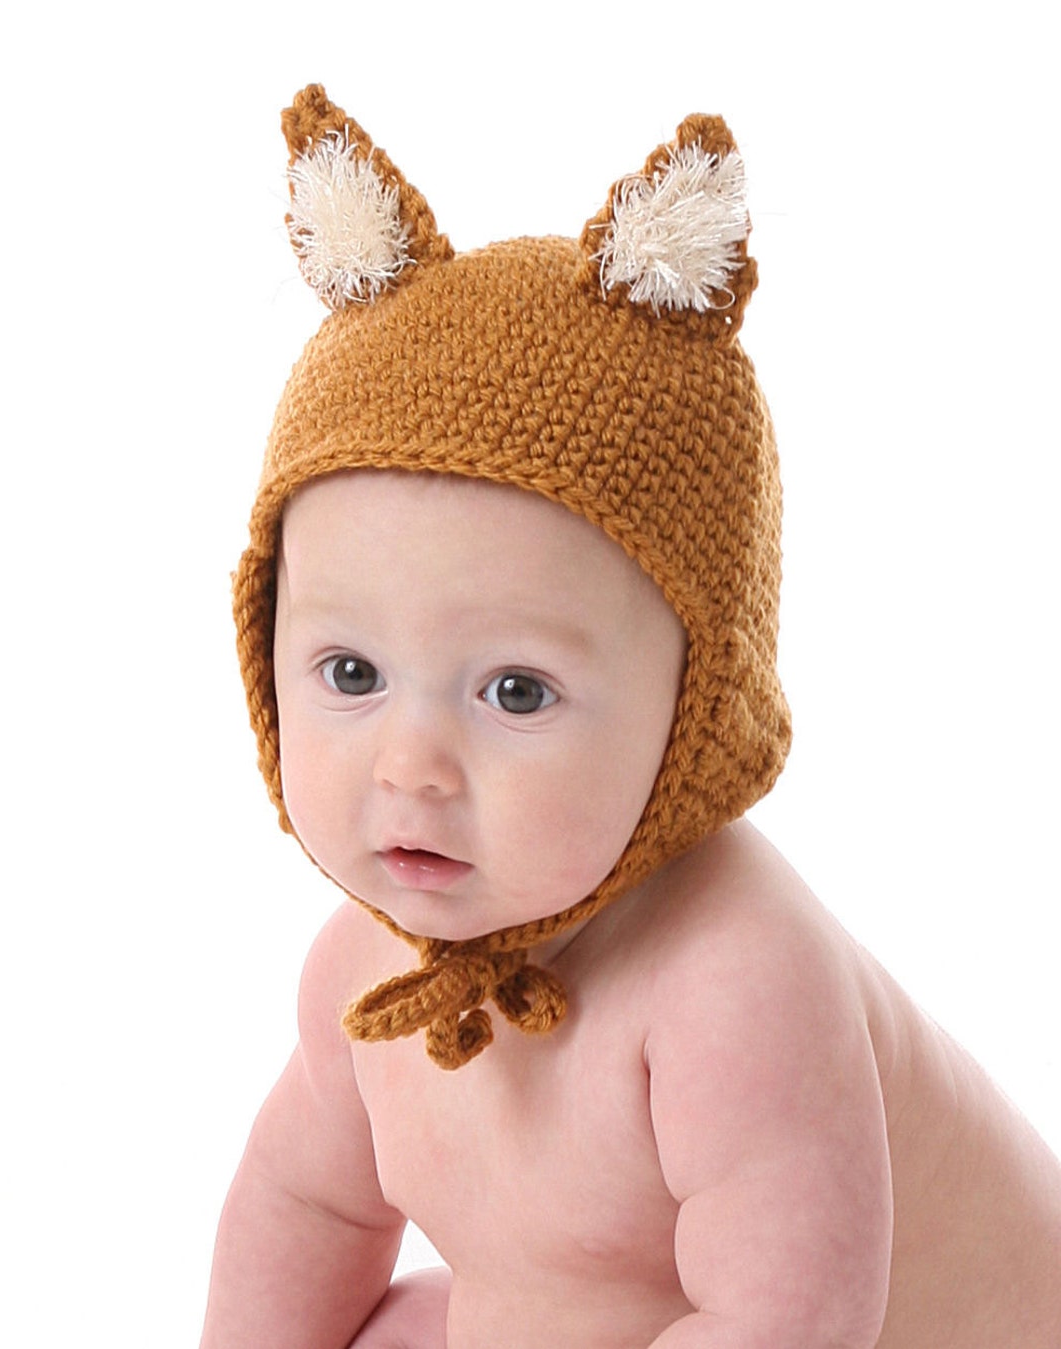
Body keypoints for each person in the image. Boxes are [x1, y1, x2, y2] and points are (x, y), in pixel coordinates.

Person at [200, 84, 1061, 1348]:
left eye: (516, 691)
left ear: (693, 710)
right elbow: (306, 1205)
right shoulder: (363, 972)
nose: (411, 765)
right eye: (350, 672)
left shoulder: (734, 985)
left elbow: (788, 1318)